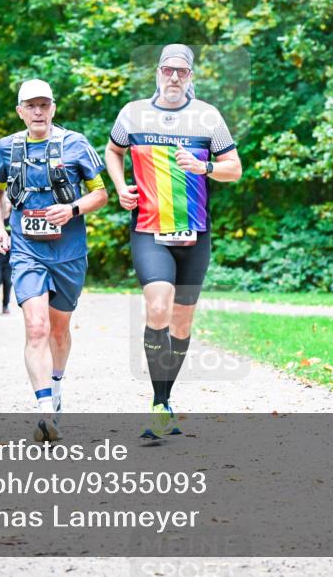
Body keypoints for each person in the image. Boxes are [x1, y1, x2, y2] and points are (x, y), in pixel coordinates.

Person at [104, 44, 242, 440]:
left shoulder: (208, 117)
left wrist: (204, 166)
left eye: (182, 71)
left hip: (195, 233)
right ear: (158, 73)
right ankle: (159, 403)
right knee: (158, 307)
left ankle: (163, 401)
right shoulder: (132, 113)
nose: (175, 77)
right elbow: (113, 151)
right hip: (150, 229)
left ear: (191, 76)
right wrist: (120, 187)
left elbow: (235, 169)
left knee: (181, 322)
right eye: (168, 70)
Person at [0, 79, 107, 442]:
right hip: (27, 249)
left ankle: (55, 388)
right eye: (31, 106)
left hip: (69, 251)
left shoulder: (76, 143)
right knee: (36, 327)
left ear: (53, 108)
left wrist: (72, 209)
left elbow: (101, 194)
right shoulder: (7, 147)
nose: (38, 112)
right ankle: (43, 411)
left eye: (44, 105)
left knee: (58, 329)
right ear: (20, 111)